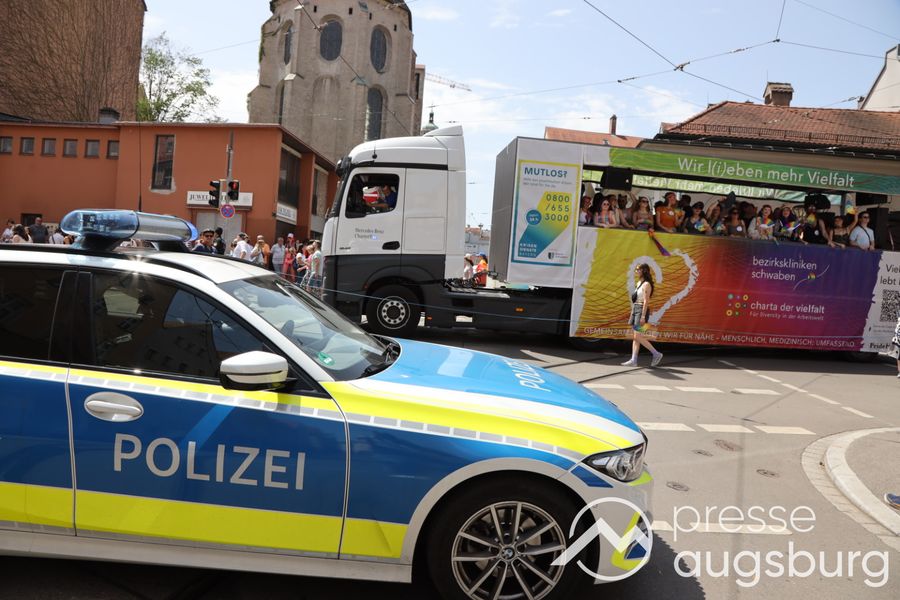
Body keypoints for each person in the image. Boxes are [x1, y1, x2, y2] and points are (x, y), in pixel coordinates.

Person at [621, 263, 663, 367]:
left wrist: (643, 316)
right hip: (635, 309)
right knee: (635, 337)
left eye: (638, 269)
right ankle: (634, 360)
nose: (636, 271)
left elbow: (646, 301)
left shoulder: (647, 284)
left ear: (643, 271)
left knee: (638, 336)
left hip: (641, 311)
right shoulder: (639, 282)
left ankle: (656, 354)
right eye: (636, 269)